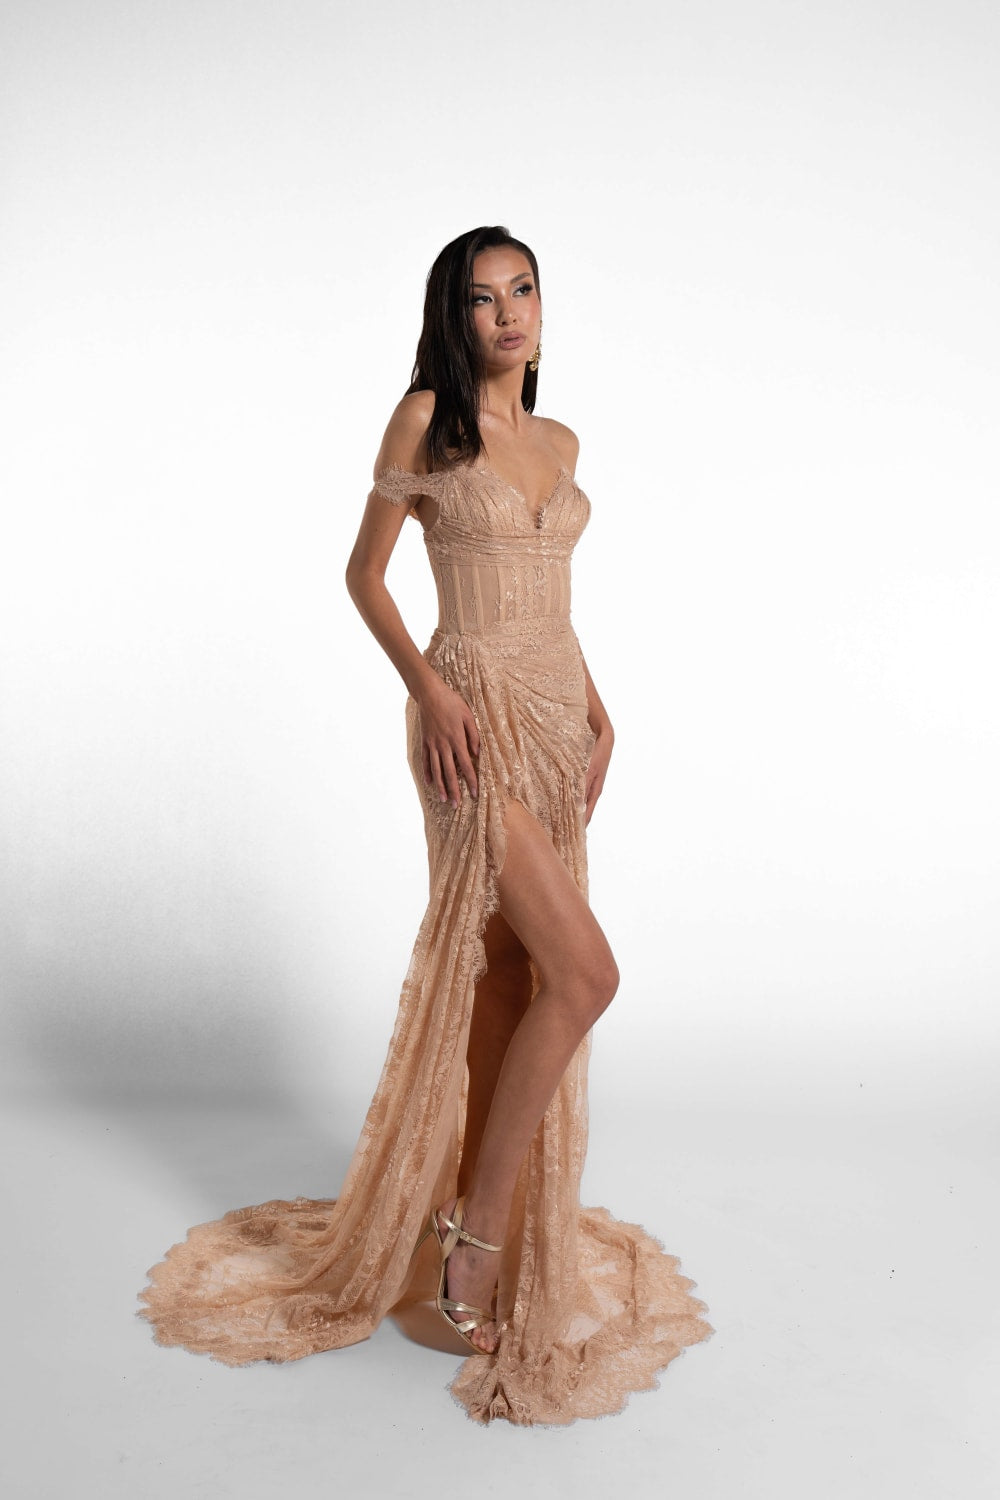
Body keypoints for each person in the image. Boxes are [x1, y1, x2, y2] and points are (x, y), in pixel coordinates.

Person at [136, 226, 712, 1426]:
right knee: (588, 974)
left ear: (543, 306)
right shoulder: (425, 422)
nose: (507, 313)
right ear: (453, 318)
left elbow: (552, 601)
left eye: (522, 290)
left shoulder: (559, 441)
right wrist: (429, 690)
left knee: (516, 974)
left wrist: (602, 712)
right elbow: (365, 575)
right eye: (481, 297)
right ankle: (477, 1232)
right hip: (469, 717)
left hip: (553, 715)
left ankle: (465, 1202)